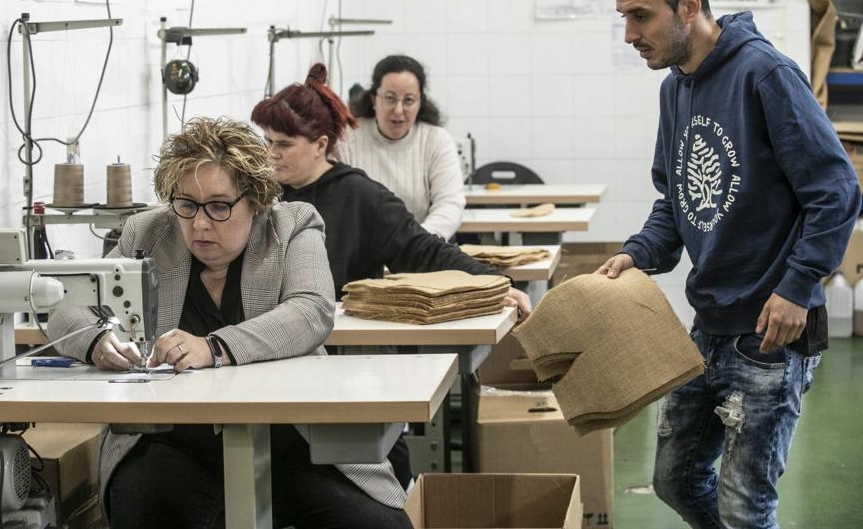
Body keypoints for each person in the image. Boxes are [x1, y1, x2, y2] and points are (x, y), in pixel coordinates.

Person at [598, 0, 861, 529]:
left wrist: (797, 287)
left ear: (689, 5)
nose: (630, 35)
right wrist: (636, 254)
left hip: (770, 334)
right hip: (708, 325)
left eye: (642, 17)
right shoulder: (675, 89)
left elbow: (836, 190)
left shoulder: (765, 74)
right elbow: (678, 197)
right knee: (673, 478)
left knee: (746, 507)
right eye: (624, 19)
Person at [50, 117, 412, 529]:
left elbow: (311, 309)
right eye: (186, 205)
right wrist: (98, 339)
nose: (199, 224)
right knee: (143, 512)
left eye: (219, 207)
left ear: (255, 202)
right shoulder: (147, 233)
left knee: (379, 526)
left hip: (291, 441)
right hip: (174, 442)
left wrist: (214, 348)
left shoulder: (291, 226)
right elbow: (66, 304)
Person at [252, 64, 531, 489]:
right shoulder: (261, 197)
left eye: (284, 144)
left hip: (350, 366)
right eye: (267, 142)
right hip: (275, 357)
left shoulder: (361, 197)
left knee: (378, 479)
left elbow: (423, 250)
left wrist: (494, 284)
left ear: (321, 145)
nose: (271, 154)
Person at [340, 55, 465, 240]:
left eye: (408, 100)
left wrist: (414, 244)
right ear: (374, 99)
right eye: (390, 98)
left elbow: (450, 203)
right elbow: (338, 205)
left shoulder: (436, 140)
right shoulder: (347, 138)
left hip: (421, 252)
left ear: (420, 102)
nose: (398, 110)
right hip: (360, 254)